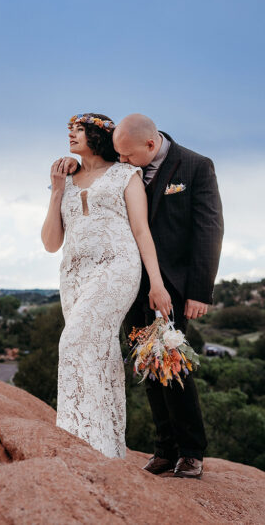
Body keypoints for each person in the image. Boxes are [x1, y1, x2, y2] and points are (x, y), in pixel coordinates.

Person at [62, 113, 223, 479]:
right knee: (146, 366)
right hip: (128, 281)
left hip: (172, 287)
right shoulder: (125, 163)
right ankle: (165, 449)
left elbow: (209, 229)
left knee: (171, 362)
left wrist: (199, 292)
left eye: (128, 156)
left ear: (150, 145)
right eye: (118, 155)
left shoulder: (196, 167)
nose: (122, 162)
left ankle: (192, 451)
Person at [41, 112, 172, 459]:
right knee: (98, 351)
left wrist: (155, 285)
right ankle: (104, 446)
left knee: (73, 342)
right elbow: (51, 243)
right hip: (73, 275)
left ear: (98, 135)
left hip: (116, 269)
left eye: (78, 129)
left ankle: (82, 438)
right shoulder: (64, 179)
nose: (70, 134)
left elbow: (142, 231)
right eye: (68, 129)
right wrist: (56, 193)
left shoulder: (127, 175)